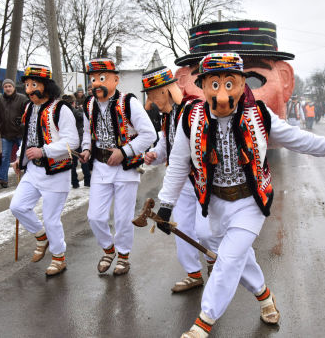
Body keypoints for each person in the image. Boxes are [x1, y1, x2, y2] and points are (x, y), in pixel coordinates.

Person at [155, 52, 325, 337]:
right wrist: (166, 205)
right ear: (203, 86)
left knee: (229, 258)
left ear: (242, 84)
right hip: (212, 202)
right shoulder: (190, 119)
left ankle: (203, 322)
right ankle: (265, 295)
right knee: (217, 243)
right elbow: (179, 163)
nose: (222, 93)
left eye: (229, 83)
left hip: (249, 202)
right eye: (214, 84)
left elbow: (296, 139)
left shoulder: (259, 115)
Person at [141, 65, 216, 292]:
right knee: (182, 228)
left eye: (154, 95)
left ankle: (215, 264)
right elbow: (167, 145)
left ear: (167, 90)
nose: (152, 101)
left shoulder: (194, 109)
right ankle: (193, 274)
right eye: (150, 96)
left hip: (203, 180)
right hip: (181, 183)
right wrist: (154, 155)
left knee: (205, 230)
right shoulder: (168, 117)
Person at [80, 58, 156, 276]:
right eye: (93, 79)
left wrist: (124, 152)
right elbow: (87, 132)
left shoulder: (128, 102)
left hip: (125, 169)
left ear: (115, 79)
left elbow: (149, 134)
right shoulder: (89, 104)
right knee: (95, 216)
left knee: (123, 218)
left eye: (101, 78)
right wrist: (86, 149)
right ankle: (108, 249)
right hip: (100, 167)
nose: (96, 83)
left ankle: (123, 255)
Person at [9, 64, 80, 276]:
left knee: (51, 219)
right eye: (27, 86)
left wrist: (44, 151)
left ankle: (59, 257)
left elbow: (73, 142)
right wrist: (20, 159)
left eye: (34, 85)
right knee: (18, 206)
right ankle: (42, 237)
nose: (29, 90)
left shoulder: (61, 109)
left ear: (46, 86)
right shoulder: (30, 108)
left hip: (56, 173)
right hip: (33, 171)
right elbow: (28, 138)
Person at [0, 79, 28, 188]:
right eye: (5, 87)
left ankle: (29, 177)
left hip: (19, 134)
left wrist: (23, 122)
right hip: (6, 134)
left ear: (13, 87)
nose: (8, 88)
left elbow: (28, 112)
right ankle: (2, 179)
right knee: (5, 157)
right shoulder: (0, 100)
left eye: (9, 86)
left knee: (24, 156)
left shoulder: (22, 98)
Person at [65, 93, 91, 188]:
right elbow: (84, 118)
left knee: (72, 163)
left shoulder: (63, 113)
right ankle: (87, 181)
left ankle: (74, 183)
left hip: (70, 141)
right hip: (79, 139)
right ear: (73, 103)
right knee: (83, 161)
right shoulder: (75, 111)